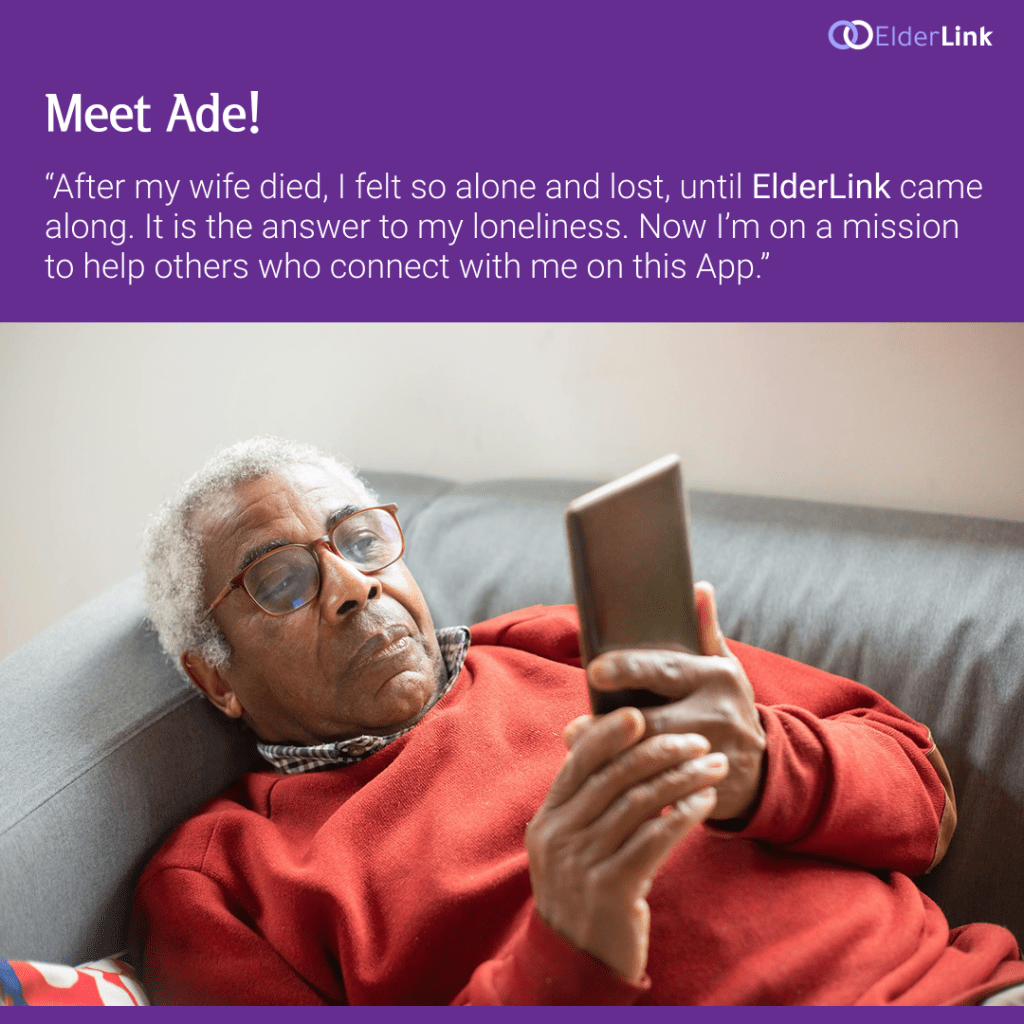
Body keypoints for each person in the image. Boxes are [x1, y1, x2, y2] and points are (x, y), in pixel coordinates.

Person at [130, 437, 1024, 1006]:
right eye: (283, 581)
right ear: (218, 682)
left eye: (360, 542)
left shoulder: (559, 641)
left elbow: (922, 800)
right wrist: (566, 949)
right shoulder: (223, 881)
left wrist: (762, 769)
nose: (354, 586)